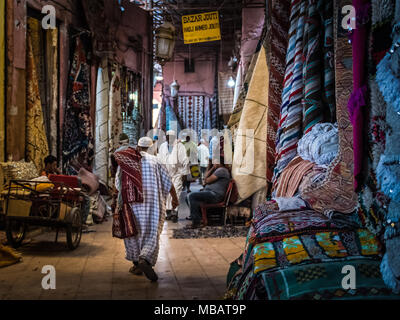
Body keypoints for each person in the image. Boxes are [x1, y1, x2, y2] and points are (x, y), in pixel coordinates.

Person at [112, 136, 179, 282]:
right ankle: (145, 259)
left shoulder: (126, 162)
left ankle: (137, 263)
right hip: (153, 204)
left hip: (131, 203)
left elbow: (118, 184)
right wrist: (175, 198)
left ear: (138, 146)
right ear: (151, 146)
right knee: (151, 231)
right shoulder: (156, 161)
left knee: (134, 231)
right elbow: (168, 182)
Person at [186, 156, 231, 229]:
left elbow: (207, 180)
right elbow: (205, 178)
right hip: (210, 192)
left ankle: (196, 221)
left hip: (215, 195)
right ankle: (199, 218)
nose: (214, 163)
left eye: (215, 162)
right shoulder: (217, 170)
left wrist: (212, 168)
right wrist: (212, 167)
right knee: (187, 197)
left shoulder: (222, 170)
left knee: (191, 196)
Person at [157, 130, 190, 223]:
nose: (169, 138)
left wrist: (184, 174)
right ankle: (168, 212)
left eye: (171, 137)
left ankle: (175, 213)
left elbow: (185, 160)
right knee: (167, 193)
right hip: (166, 174)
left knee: (177, 192)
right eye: (167, 136)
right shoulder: (163, 146)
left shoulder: (180, 146)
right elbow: (160, 159)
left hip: (177, 174)